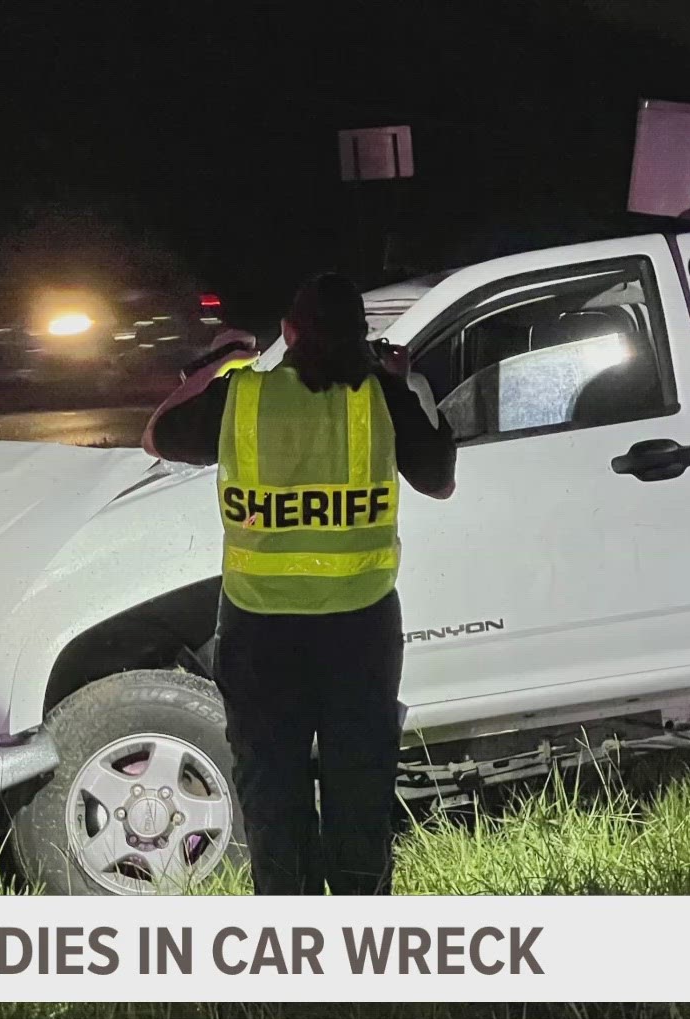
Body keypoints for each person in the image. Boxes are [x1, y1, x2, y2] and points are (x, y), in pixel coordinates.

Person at [142, 272, 456, 895]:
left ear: (289, 333)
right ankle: (362, 948)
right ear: (363, 339)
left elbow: (156, 433)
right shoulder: (382, 398)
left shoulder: (244, 397)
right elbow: (439, 479)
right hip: (360, 631)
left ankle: (292, 951)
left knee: (273, 793)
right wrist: (400, 382)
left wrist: (218, 360)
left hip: (260, 633)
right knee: (359, 791)